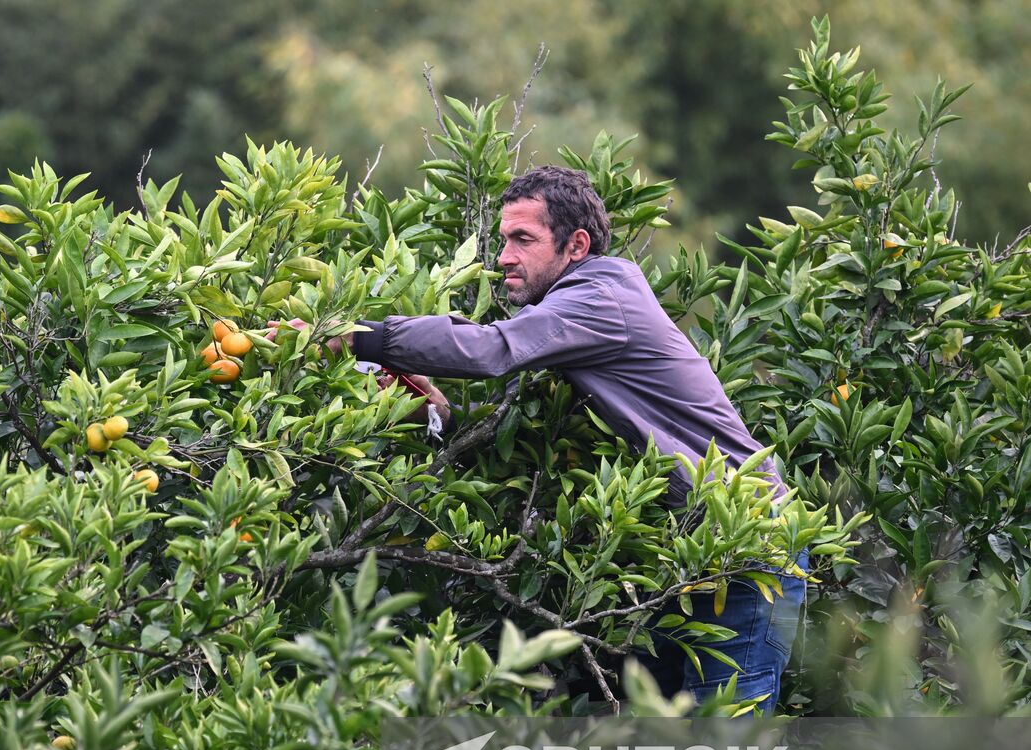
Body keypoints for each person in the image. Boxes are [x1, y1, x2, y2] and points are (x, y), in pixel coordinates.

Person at [281, 165, 808, 713]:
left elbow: (488, 350)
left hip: (750, 546)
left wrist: (358, 337)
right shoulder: (568, 316)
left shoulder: (602, 298)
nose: (504, 256)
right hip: (694, 553)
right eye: (503, 239)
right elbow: (529, 425)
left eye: (523, 240)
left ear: (576, 245)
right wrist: (439, 414)